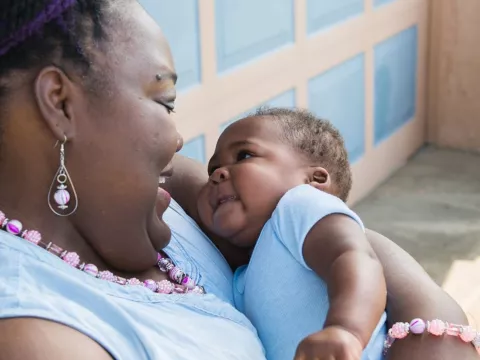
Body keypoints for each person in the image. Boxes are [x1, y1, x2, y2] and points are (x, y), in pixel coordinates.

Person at [0, 1, 477, 359]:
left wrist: (432, 327)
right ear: (60, 103)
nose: (178, 136)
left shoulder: (171, 192)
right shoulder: (38, 334)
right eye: (163, 102)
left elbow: (342, 242)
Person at [196, 108, 387, 360]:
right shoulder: (241, 276)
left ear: (313, 179)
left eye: (243, 155)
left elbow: (355, 258)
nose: (218, 174)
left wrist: (345, 329)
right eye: (212, 170)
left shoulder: (299, 205)